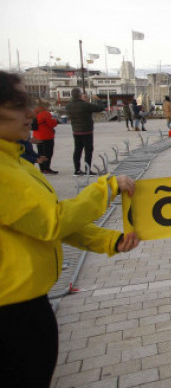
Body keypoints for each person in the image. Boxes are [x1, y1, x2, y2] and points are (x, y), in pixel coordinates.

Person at [0, 71, 141, 388]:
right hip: (11, 314)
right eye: (19, 104)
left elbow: (44, 226)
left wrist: (110, 240)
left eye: (29, 103)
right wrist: (105, 189)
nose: (31, 114)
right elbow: (53, 221)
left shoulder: (15, 161)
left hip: (27, 304)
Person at [65, 88, 105, 175]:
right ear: (79, 95)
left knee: (77, 150)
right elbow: (100, 108)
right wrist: (98, 100)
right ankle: (88, 169)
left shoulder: (68, 105)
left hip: (76, 131)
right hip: (86, 131)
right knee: (88, 150)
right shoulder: (85, 105)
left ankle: (77, 170)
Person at [33, 100, 58, 174]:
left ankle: (42, 168)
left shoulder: (34, 112)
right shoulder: (45, 114)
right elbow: (52, 124)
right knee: (48, 153)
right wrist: (55, 120)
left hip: (37, 136)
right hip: (46, 136)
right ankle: (47, 168)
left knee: (40, 152)